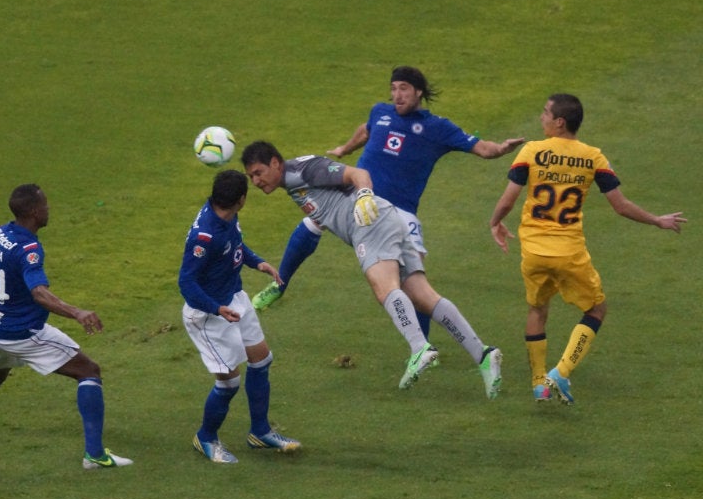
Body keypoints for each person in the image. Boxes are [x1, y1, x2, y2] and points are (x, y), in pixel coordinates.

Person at [251, 65, 524, 348]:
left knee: (415, 283)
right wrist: (346, 149)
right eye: (393, 89)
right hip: (355, 200)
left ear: (418, 91)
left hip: (400, 212)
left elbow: (481, 148)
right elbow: (366, 130)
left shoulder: (437, 128)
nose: (397, 95)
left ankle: (423, 347)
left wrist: (502, 149)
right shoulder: (380, 112)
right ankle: (280, 285)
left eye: (403, 88)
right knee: (313, 219)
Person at [241, 141, 502, 398]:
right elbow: (313, 226)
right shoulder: (293, 182)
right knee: (423, 296)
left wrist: (364, 194)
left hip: (369, 224)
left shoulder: (304, 170)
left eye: (258, 173)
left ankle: (420, 347)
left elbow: (358, 173)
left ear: (275, 163)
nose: (255, 181)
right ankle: (484, 356)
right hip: (385, 220)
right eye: (250, 176)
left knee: (384, 289)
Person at [489, 93, 687, 404]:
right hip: (569, 253)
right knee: (596, 309)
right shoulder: (593, 157)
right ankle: (561, 372)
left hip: (535, 252)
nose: (540, 118)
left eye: (545, 113)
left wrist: (495, 223)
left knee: (537, 310)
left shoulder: (532, 151)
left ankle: (539, 383)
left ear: (559, 122)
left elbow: (508, 199)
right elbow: (620, 206)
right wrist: (657, 221)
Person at [0, 184, 132, 470]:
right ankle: (94, 455)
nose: (49, 209)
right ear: (35, 212)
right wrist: (77, 312)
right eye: (46, 205)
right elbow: (39, 293)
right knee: (89, 371)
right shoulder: (29, 249)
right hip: (22, 333)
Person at [178, 169, 301, 464]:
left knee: (261, 360)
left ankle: (260, 431)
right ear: (242, 200)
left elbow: (234, 246)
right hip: (207, 314)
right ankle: (206, 437)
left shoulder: (225, 214)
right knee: (228, 383)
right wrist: (215, 308)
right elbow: (186, 282)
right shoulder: (204, 236)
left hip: (234, 299)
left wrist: (258, 263)